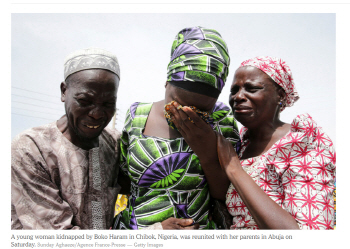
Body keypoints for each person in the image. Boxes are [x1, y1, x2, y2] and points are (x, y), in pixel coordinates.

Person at [170, 56, 336, 229]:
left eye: (252, 88)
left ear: (280, 95)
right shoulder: (240, 144)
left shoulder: (302, 142)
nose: (238, 97)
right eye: (234, 90)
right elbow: (225, 199)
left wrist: (234, 169)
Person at [114, 26, 240, 230]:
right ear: (167, 82)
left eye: (200, 110)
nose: (185, 114)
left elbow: (228, 194)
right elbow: (124, 181)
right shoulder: (138, 115)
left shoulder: (222, 119)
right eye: (177, 104)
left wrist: (206, 151)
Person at [11, 48, 122, 229]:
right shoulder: (30, 148)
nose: (96, 114)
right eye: (85, 101)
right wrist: (155, 233)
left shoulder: (115, 144)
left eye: (108, 104)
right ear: (64, 91)